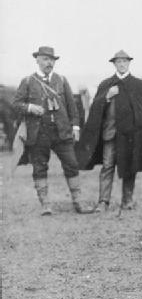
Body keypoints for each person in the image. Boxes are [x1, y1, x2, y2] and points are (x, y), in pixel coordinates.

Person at [13, 46, 91, 214]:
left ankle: (78, 203)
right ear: (38, 60)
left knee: (72, 164)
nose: (49, 63)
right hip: (38, 132)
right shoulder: (28, 81)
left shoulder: (61, 80)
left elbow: (73, 107)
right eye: (46, 59)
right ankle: (45, 205)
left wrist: (75, 127)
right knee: (40, 167)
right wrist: (30, 107)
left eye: (52, 60)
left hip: (62, 132)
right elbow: (16, 105)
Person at [76, 50, 142, 211]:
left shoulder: (138, 84)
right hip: (110, 134)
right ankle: (103, 201)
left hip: (130, 136)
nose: (122, 64)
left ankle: (127, 200)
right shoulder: (106, 84)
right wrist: (107, 96)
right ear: (114, 64)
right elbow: (96, 107)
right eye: (118, 62)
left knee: (130, 166)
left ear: (129, 63)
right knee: (107, 166)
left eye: (124, 61)